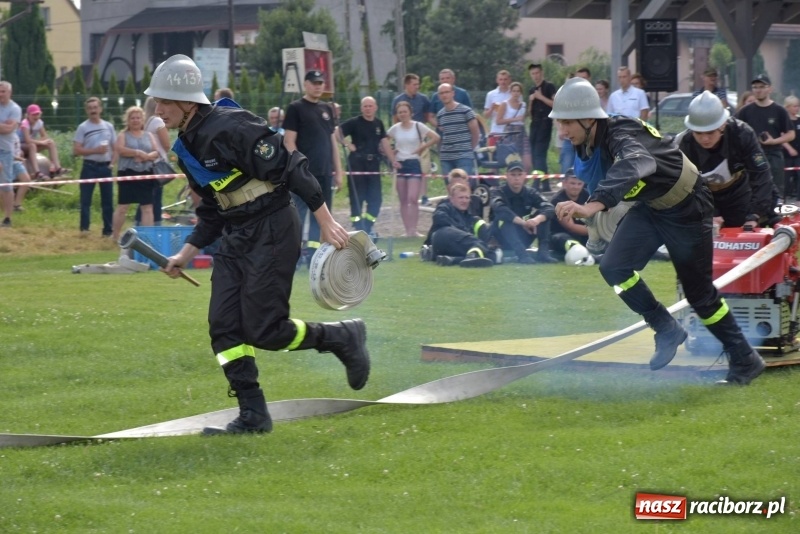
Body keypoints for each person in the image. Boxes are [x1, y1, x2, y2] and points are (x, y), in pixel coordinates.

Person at [145, 54, 370, 436]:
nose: (158, 109)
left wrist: (324, 218)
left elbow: (292, 164)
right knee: (224, 327)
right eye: (157, 101)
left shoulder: (231, 125)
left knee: (266, 330)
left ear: (187, 101)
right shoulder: (186, 148)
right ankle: (253, 414)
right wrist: (185, 253)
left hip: (273, 226)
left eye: (165, 101)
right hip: (235, 235)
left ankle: (340, 337)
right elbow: (214, 211)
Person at [550, 77, 765, 385]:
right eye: (559, 124)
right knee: (614, 268)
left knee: (700, 295)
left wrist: (592, 205)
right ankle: (665, 327)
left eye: (566, 123)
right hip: (652, 208)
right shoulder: (589, 143)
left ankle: (745, 359)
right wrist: (596, 213)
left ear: (587, 118)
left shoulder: (619, 131)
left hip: (689, 206)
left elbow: (638, 162)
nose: (561, 132)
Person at [678, 91, 777, 229]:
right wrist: (710, 213)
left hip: (739, 192)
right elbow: (685, 188)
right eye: (698, 133)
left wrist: (755, 214)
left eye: (710, 132)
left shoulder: (742, 134)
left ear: (722, 125)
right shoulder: (685, 144)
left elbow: (761, 174)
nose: (705, 139)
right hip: (706, 196)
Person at [283, 70, 344, 258]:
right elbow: (289, 141)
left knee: (324, 217)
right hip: (304, 173)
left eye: (320, 83)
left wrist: (339, 171)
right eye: (314, 83)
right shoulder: (295, 108)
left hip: (325, 173)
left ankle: (317, 254)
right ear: (306, 84)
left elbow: (332, 141)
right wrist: (298, 167)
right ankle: (294, 253)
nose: (318, 86)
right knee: (298, 215)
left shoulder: (327, 109)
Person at [339, 96, 399, 236]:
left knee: (376, 199)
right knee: (357, 198)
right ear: (361, 108)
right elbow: (337, 132)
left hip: (373, 165)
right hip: (357, 164)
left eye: (370, 106)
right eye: (365, 106)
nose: (368, 108)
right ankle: (359, 227)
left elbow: (384, 143)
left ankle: (368, 225)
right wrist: (347, 144)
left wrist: (392, 160)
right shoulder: (354, 122)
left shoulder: (379, 124)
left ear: (375, 107)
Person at [736, 74, 795, 200]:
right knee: (751, 191)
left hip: (774, 155)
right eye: (755, 87)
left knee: (777, 190)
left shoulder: (779, 110)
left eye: (762, 86)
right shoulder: (745, 111)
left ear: (770, 89)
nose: (758, 90)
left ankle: (776, 215)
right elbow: (734, 131)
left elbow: (791, 134)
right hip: (751, 156)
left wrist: (774, 141)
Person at [489, 156, 557, 264]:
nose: (516, 178)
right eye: (513, 175)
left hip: (524, 235)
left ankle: (543, 253)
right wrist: (523, 223)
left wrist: (535, 220)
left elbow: (549, 207)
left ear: (524, 176)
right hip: (503, 238)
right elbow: (500, 209)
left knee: (543, 215)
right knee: (504, 219)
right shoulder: (496, 191)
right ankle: (522, 255)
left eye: (519, 175)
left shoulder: (530, 192)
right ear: (506, 176)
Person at [387, 100, 440, 237]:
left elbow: (436, 137)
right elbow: (383, 141)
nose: (402, 114)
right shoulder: (395, 128)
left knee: (412, 198)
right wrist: (390, 153)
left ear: (410, 112)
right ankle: (407, 230)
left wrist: (422, 147)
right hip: (400, 164)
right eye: (400, 112)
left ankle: (414, 230)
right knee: (403, 199)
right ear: (397, 114)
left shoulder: (418, 126)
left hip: (414, 163)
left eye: (405, 111)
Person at [111, 106, 160, 241]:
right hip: (127, 174)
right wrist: (136, 153)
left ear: (142, 119)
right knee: (122, 207)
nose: (135, 120)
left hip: (146, 174)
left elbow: (156, 152)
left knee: (147, 207)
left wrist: (147, 156)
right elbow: (120, 150)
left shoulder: (149, 135)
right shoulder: (123, 135)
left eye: (138, 117)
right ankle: (115, 236)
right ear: (128, 120)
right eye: (132, 118)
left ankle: (147, 237)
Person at [73, 96, 116, 236]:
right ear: (86, 110)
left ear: (100, 109)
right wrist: (94, 151)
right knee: (85, 201)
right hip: (89, 167)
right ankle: (84, 230)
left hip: (105, 167)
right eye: (90, 108)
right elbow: (76, 150)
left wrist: (112, 164)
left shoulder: (108, 126)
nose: (93, 110)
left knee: (108, 201)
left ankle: (108, 230)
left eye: (95, 107)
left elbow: (116, 148)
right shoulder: (83, 127)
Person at [430, 182, 498, 267]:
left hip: (455, 247)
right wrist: (460, 229)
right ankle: (476, 254)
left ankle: (454, 259)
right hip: (443, 238)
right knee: (483, 247)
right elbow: (438, 217)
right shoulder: (445, 207)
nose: (464, 201)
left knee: (490, 255)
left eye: (467, 198)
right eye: (461, 197)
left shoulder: (471, 218)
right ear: (451, 199)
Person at [138, 96, 173, 226]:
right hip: (157, 164)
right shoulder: (158, 122)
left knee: (146, 199)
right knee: (156, 199)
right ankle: (156, 225)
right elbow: (167, 145)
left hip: (146, 164)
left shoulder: (145, 123)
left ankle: (140, 223)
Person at [436, 83, 479, 177]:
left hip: (464, 156)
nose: (444, 95)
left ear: (453, 93)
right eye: (441, 93)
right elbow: (441, 136)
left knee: (463, 186)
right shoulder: (440, 114)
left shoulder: (466, 111)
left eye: (447, 92)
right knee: (450, 187)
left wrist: (468, 149)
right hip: (446, 157)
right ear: (439, 96)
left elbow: (475, 133)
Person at [527, 63, 557, 189]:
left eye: (537, 73)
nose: (536, 76)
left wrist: (541, 97)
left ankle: (537, 182)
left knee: (539, 153)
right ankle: (544, 183)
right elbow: (529, 112)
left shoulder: (549, 87)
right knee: (534, 154)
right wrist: (531, 100)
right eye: (533, 74)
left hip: (545, 122)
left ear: (542, 73)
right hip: (534, 123)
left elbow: (556, 104)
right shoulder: (531, 90)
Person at [548, 168, 589, 259]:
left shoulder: (587, 196)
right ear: (564, 183)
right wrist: (597, 232)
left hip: (583, 234)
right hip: (560, 235)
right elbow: (571, 227)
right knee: (564, 238)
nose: (576, 187)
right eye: (572, 183)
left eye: (579, 184)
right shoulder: (557, 201)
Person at [19, 103, 63, 178]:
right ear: (28, 115)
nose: (36, 116)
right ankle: (37, 172)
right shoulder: (25, 123)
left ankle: (57, 168)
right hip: (20, 145)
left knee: (50, 142)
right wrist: (41, 142)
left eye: (38, 114)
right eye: (34, 114)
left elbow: (44, 136)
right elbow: (27, 140)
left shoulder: (39, 122)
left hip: (30, 144)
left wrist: (43, 142)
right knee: (32, 146)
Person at [0, 81, 22, 227]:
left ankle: (7, 218)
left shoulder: (15, 109)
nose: (1, 94)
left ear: (10, 92)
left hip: (6, 150)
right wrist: (4, 125)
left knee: (6, 184)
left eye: (3, 91)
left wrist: (7, 127)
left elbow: (8, 130)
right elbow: (6, 127)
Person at [484, 70, 512, 137]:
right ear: (497, 80)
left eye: (505, 79)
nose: (503, 82)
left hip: (511, 130)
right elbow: (485, 116)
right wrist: (491, 109)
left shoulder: (514, 93)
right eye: (501, 79)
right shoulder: (491, 94)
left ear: (509, 80)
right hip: (496, 130)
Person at [782, 96, 800, 200]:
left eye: (798, 106)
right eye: (794, 106)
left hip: (799, 154)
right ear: (787, 107)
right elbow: (781, 136)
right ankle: (783, 197)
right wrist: (789, 148)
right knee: (786, 177)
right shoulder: (784, 121)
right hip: (786, 154)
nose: (797, 108)